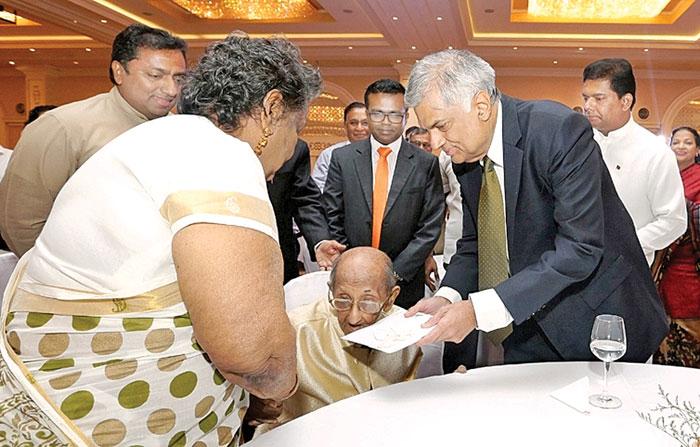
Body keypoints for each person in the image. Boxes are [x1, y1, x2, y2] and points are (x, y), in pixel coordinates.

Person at [0, 32, 322, 445]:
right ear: (273, 107)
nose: (293, 146)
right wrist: (281, 383)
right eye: (298, 127)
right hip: (91, 419)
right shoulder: (218, 155)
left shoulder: (165, 137)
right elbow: (254, 356)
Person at [404, 49, 668, 364]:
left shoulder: (557, 131)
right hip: (525, 321)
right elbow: (477, 243)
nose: (434, 144)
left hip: (600, 322)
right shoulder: (465, 157)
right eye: (426, 130)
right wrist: (447, 297)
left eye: (441, 126)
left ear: (481, 106)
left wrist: (477, 312)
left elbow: (580, 248)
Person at [0, 24, 188, 256]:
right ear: (119, 72)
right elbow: (21, 221)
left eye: (179, 79)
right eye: (155, 76)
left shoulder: (181, 130)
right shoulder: (64, 126)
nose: (171, 89)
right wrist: (61, 276)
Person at [245, 247, 421, 432]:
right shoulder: (295, 330)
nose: (353, 318)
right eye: (343, 300)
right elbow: (256, 404)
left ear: (391, 298)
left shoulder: (407, 333)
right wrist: (257, 403)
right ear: (331, 290)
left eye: (368, 303)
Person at [323, 79, 444, 309]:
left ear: (406, 116)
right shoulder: (343, 159)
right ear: (367, 114)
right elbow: (332, 212)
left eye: (394, 114)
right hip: (352, 281)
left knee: (400, 343)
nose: (386, 123)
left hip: (404, 283)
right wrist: (355, 268)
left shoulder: (425, 163)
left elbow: (429, 227)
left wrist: (393, 275)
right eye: (378, 114)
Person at [582, 58, 686, 265]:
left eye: (599, 98)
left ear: (625, 101)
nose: (587, 106)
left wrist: (626, 244)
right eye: (586, 98)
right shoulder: (576, 144)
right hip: (575, 269)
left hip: (628, 269)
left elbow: (674, 220)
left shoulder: (654, 152)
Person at [267, 139, 345, 283]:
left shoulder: (294, 147)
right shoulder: (220, 141)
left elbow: (305, 199)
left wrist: (320, 240)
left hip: (279, 257)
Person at [654, 126, 700, 368]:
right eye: (676, 142)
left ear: (697, 149)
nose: (681, 146)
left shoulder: (699, 178)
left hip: (690, 271)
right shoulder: (666, 175)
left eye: (688, 142)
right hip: (663, 270)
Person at [311, 101, 369, 192]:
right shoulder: (329, 154)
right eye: (353, 123)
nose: (359, 128)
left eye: (365, 123)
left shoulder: (381, 154)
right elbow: (317, 189)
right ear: (345, 126)